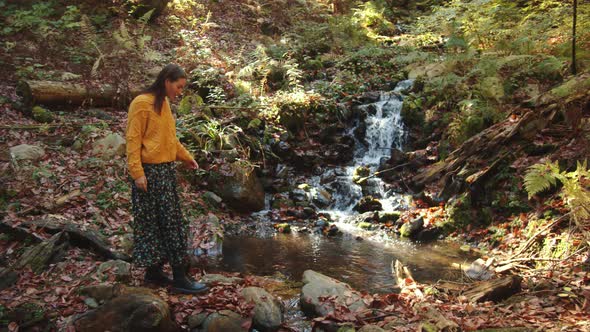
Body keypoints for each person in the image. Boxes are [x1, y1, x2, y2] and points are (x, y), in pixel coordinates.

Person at [126, 64, 208, 294]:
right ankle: (180, 278)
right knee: (157, 224)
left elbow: (170, 140)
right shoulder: (142, 104)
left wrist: (186, 158)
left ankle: (154, 272)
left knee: (168, 222)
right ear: (166, 81)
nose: (180, 92)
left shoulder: (165, 105)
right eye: (178, 86)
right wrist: (137, 173)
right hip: (149, 174)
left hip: (166, 172)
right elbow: (132, 140)